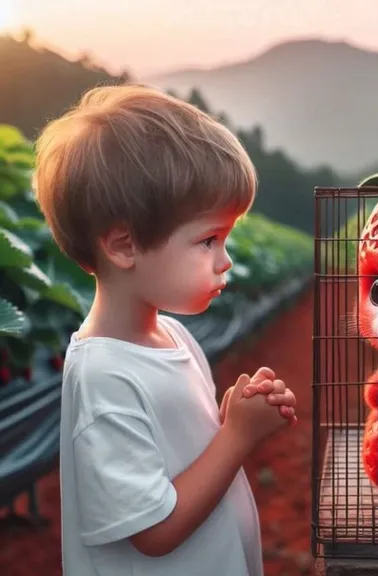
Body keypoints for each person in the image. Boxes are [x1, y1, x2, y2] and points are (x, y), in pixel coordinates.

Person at [33, 83, 298, 576]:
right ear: (124, 245)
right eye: (208, 240)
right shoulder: (104, 377)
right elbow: (154, 532)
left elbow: (179, 457)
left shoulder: (175, 336)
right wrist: (238, 437)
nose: (226, 261)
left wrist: (226, 420)